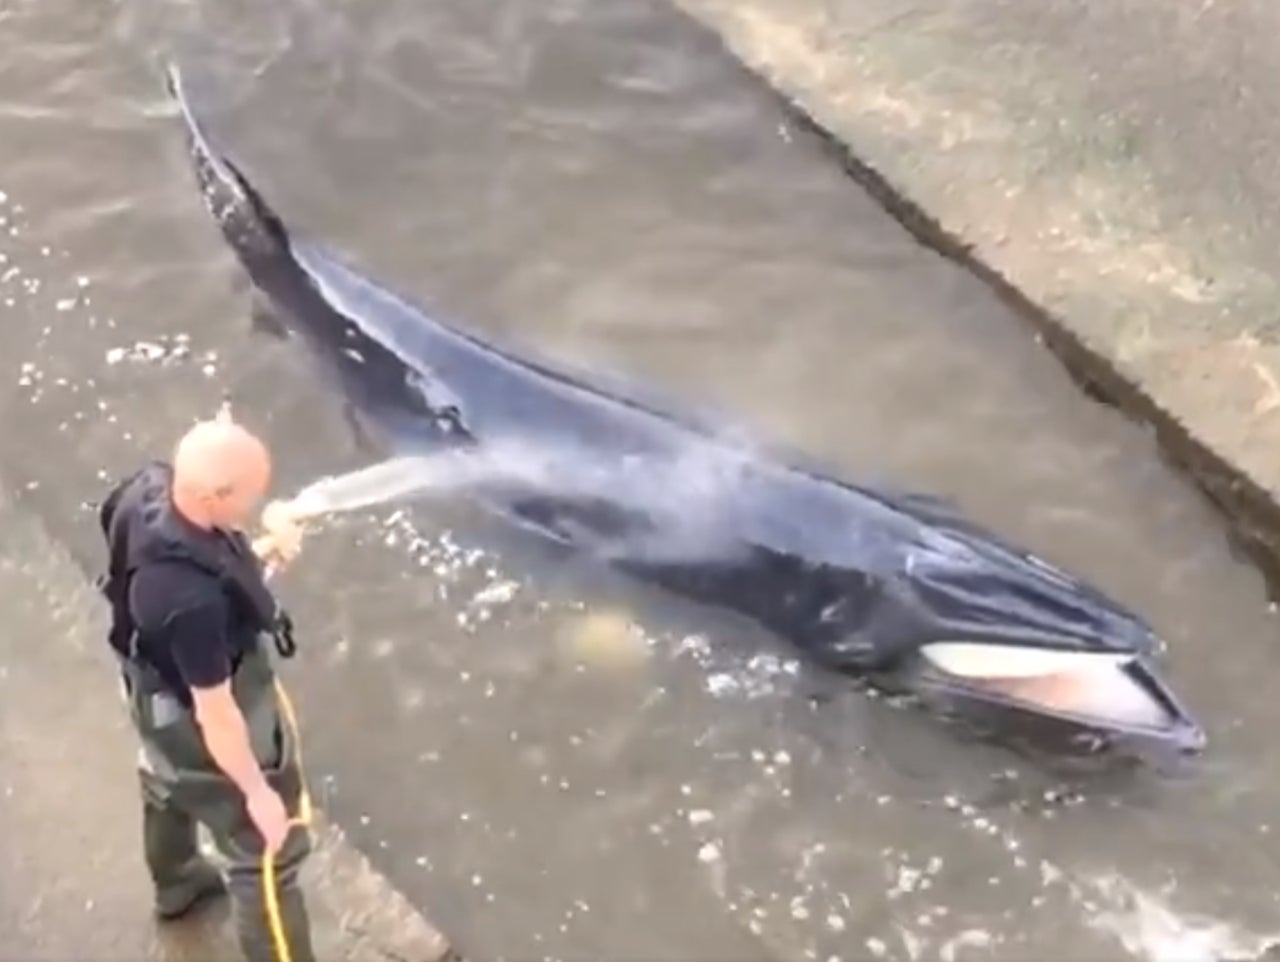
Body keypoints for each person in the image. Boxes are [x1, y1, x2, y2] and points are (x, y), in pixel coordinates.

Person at [95, 406, 315, 962]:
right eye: (249, 497)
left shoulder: (144, 492)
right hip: (202, 710)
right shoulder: (187, 605)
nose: (256, 508)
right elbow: (217, 714)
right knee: (266, 853)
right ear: (214, 495)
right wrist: (257, 795)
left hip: (150, 688)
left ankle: (178, 881)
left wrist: (263, 555)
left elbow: (204, 574)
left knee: (165, 777)